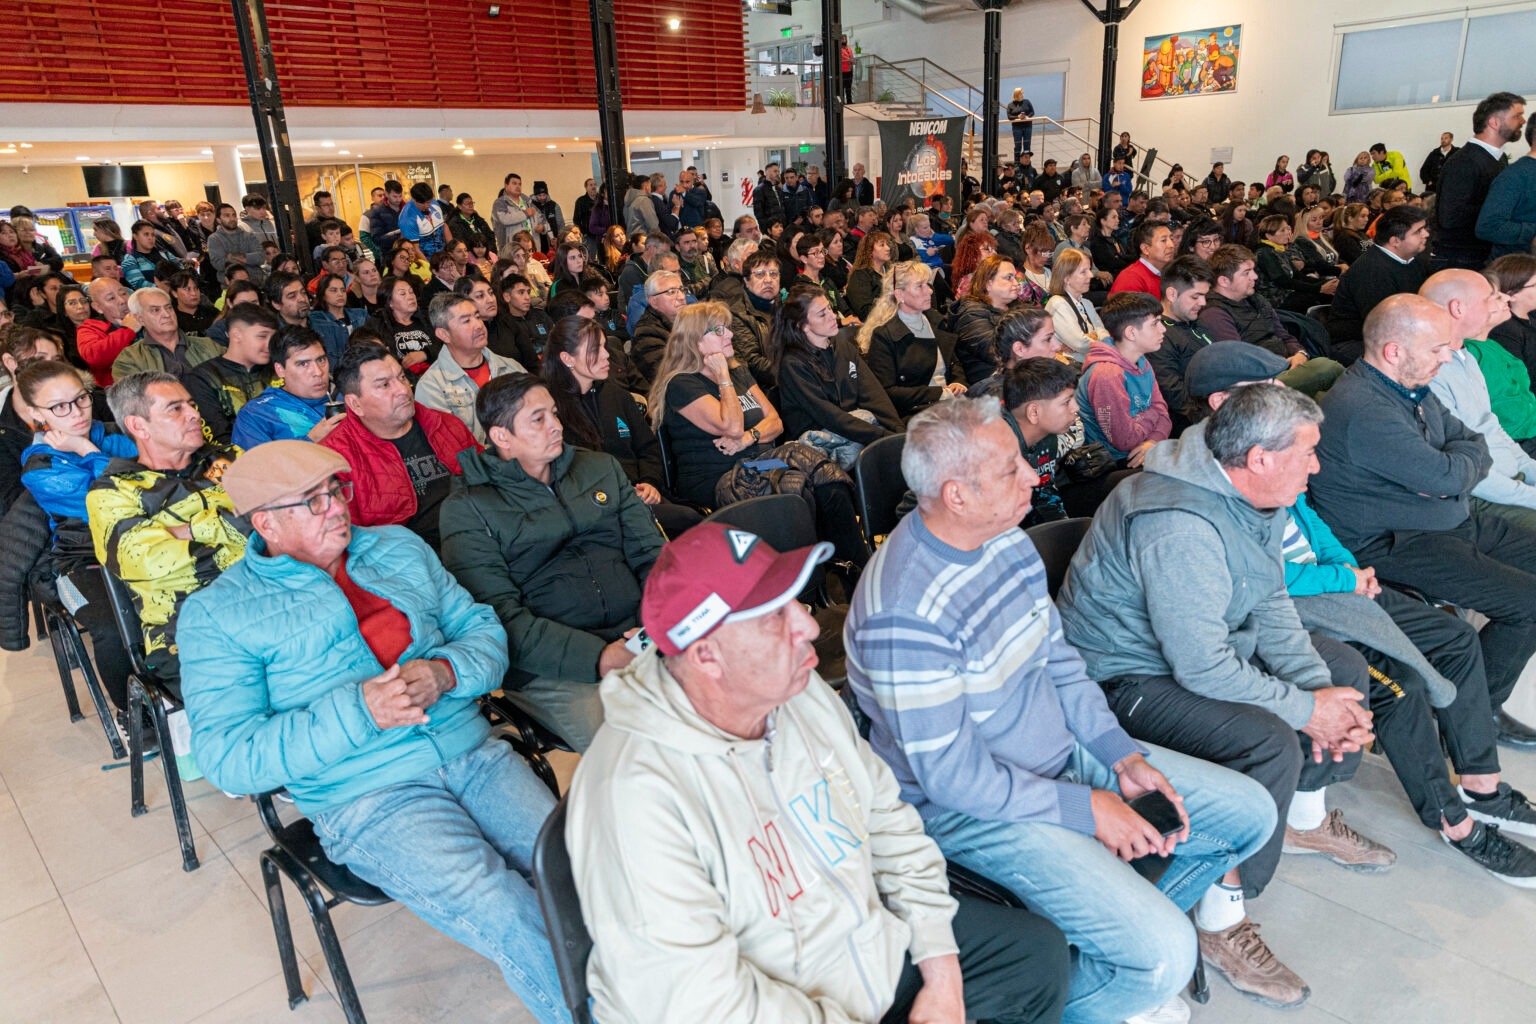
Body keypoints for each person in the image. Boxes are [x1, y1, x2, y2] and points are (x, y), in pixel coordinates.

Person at [846, 396, 1272, 1024]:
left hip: (1054, 756)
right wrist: (1085, 807)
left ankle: (1110, 956)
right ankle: (1094, 991)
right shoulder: (903, 614)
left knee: (1250, 814)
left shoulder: (1002, 541)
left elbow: (1058, 659)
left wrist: (1116, 754)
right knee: (1162, 958)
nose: (1033, 476)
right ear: (956, 495)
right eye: (1010, 470)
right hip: (969, 810)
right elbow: (955, 781)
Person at [567, 518, 1069, 1023]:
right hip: (773, 1006)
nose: (807, 625)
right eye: (773, 617)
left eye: (795, 601)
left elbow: (887, 820)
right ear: (707, 657)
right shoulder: (632, 796)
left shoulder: (797, 694)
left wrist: (941, 972)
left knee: (1034, 957)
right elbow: (700, 1002)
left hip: (862, 949)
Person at [174, 441, 565, 1022]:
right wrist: (360, 713)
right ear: (266, 523)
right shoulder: (220, 613)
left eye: (337, 490)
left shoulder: (397, 548)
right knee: (508, 910)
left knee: (581, 873)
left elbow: (479, 627)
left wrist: (446, 672)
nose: (337, 508)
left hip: (470, 751)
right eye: (313, 501)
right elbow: (229, 757)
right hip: (366, 797)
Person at [1060, 384, 1398, 1009]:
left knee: (1340, 663)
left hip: (1191, 660)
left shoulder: (1249, 494)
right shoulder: (1179, 523)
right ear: (1261, 458)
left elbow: (1271, 603)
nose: (1317, 465)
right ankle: (1219, 919)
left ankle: (1299, 820)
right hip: (1121, 681)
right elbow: (1202, 668)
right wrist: (1306, 711)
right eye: (1309, 452)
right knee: (1267, 739)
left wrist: (1320, 693)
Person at [1308, 294, 1536, 748]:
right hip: (1396, 542)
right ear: (1394, 351)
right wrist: (1455, 468)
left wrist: (1456, 467)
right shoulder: (1364, 407)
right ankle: (1477, 712)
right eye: (1437, 349)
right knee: (1529, 604)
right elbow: (1448, 472)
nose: (1448, 356)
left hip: (1447, 520)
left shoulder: (1409, 386)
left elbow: (1472, 442)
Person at [438, 373, 661, 752]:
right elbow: (499, 618)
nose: (556, 426)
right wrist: (599, 657)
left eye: (554, 414)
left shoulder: (600, 468)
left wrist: (658, 621)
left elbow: (651, 555)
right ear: (501, 437)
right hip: (552, 666)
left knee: (721, 698)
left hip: (638, 631)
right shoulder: (469, 509)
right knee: (632, 749)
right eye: (538, 419)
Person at [87, 372, 246, 693]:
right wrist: (236, 525)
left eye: (191, 404)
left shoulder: (231, 458)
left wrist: (181, 531)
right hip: (186, 628)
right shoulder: (114, 492)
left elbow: (285, 518)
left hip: (270, 596)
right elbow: (147, 563)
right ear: (138, 426)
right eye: (175, 409)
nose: (194, 414)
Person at [16, 359, 140, 729]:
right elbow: (117, 495)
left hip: (137, 540)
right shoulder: (40, 467)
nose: (77, 413)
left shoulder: (105, 432)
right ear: (36, 414)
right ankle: (131, 716)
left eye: (81, 399)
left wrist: (90, 445)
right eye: (59, 407)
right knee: (113, 628)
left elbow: (155, 470)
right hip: (81, 559)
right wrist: (85, 449)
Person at [541, 316, 700, 537]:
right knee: (688, 521)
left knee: (695, 520)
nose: (607, 355)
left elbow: (647, 447)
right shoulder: (550, 408)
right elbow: (564, 472)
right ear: (567, 358)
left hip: (640, 493)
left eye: (605, 346)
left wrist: (649, 482)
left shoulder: (616, 395)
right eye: (595, 349)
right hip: (598, 506)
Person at [320, 343, 477, 549]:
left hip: (479, 535)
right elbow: (350, 542)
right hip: (409, 560)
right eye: (384, 385)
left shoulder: (444, 424)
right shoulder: (335, 458)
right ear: (355, 404)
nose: (403, 390)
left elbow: (486, 479)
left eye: (402, 377)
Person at [773, 285, 901, 469]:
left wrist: (898, 432)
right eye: (822, 314)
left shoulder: (842, 346)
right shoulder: (793, 364)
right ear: (803, 325)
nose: (833, 316)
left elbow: (873, 395)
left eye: (830, 309)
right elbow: (829, 416)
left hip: (852, 429)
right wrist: (882, 436)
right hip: (818, 442)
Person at [1200, 246, 1343, 397]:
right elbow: (1239, 362)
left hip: (1284, 367)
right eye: (1246, 273)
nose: (1255, 277)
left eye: (1253, 271)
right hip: (1258, 385)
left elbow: (1283, 335)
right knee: (1328, 368)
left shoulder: (1256, 299)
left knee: (1327, 398)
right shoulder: (1214, 314)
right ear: (1224, 281)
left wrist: (1300, 353)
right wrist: (1282, 364)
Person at [857, 260, 966, 418]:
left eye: (927, 284)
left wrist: (958, 382)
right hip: (917, 412)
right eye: (919, 286)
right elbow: (888, 392)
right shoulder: (885, 335)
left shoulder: (935, 320)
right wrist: (940, 393)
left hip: (950, 403)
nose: (929, 291)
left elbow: (953, 362)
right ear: (900, 294)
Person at [414, 294, 526, 442]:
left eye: (478, 317)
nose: (479, 325)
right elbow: (450, 448)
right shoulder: (432, 387)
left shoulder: (510, 367)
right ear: (444, 334)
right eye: (466, 321)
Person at [1326, 206, 1432, 360]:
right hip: (1358, 343)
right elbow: (1384, 324)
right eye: (1418, 231)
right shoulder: (1371, 270)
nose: (1426, 234)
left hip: (1394, 335)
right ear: (1395, 241)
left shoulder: (1414, 261)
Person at [1078, 292, 1171, 465]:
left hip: (1142, 449)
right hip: (1111, 463)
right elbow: (1125, 440)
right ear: (1131, 333)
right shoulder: (1107, 374)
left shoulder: (1141, 361)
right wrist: (1152, 414)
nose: (1163, 329)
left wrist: (1153, 441)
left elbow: (1164, 413)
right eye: (1155, 323)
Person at [1435, 92, 1526, 269]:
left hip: (1480, 255)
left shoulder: (1498, 159)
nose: (1523, 121)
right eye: (1517, 116)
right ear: (1494, 122)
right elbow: (1450, 216)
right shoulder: (1464, 162)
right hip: (1461, 260)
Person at [231, 325, 344, 448]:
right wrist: (311, 440)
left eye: (321, 360)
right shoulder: (256, 414)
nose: (318, 372)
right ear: (280, 370)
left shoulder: (347, 397)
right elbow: (254, 466)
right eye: (303, 364)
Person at [180, 302, 276, 444]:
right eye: (262, 336)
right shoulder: (203, 378)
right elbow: (219, 438)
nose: (270, 344)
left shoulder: (278, 368)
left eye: (273, 337)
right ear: (237, 335)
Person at [1146, 256, 1216, 432]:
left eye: (1204, 296)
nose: (1203, 303)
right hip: (1194, 425)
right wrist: (1221, 418)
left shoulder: (1195, 321)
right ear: (1172, 294)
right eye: (1195, 296)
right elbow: (1176, 397)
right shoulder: (1158, 335)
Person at [112, 287, 221, 380]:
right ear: (140, 319)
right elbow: (135, 400)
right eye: (155, 310)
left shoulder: (209, 346)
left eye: (168, 308)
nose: (166, 314)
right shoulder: (130, 359)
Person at [1045, 247, 1109, 360]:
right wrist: (1094, 337)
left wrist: (1091, 338)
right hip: (1073, 367)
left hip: (1091, 361)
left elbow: (1104, 333)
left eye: (1089, 270)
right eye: (1083, 272)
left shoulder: (1087, 303)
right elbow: (1080, 343)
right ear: (1067, 278)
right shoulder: (1058, 303)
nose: (1090, 275)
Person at [76, 278, 139, 387]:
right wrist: (127, 330)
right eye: (111, 298)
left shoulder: (143, 315)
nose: (122, 300)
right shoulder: (89, 328)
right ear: (98, 307)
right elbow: (94, 357)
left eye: (123, 293)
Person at [1109, 220, 1175, 298]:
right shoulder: (1130, 279)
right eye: (1163, 240)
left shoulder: (1170, 271)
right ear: (1145, 249)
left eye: (1171, 239)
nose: (1171, 245)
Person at [1008, 87, 1035, 161]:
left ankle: (1027, 162)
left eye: (1022, 93)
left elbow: (1032, 112)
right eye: (1021, 93)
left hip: (1027, 126)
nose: (1022, 95)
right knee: (1018, 146)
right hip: (1017, 127)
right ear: (1017, 94)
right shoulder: (1010, 105)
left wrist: (1027, 116)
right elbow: (1009, 116)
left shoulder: (1027, 101)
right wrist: (1018, 117)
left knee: (1027, 145)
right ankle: (1017, 163)